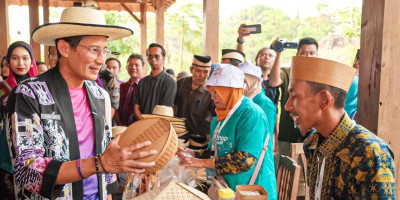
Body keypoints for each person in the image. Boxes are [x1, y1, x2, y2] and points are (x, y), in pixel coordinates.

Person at [7, 7, 157, 199]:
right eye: (94, 50)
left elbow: (106, 156)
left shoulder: (100, 95)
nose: (101, 60)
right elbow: (27, 171)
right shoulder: (30, 94)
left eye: (105, 51)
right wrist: (98, 164)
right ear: (64, 48)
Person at [286, 56, 395, 199]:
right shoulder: (312, 144)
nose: (287, 106)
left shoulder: (370, 152)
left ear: (324, 100)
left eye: (294, 96)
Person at [177, 64, 277, 199]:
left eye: (216, 92)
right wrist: (193, 153)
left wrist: (200, 163)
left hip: (253, 190)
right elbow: (216, 151)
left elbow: (245, 160)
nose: (212, 97)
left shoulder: (251, 115)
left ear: (229, 91)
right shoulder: (219, 118)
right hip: (228, 190)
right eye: (211, 92)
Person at [0, 41, 39, 200]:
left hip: (35, 147)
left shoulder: (41, 87)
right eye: (15, 58)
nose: (21, 63)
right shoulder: (2, 88)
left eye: (25, 58)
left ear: (31, 61)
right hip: (6, 149)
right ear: (9, 62)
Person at [174, 55, 216, 149]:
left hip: (201, 139)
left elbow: (216, 115)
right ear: (191, 69)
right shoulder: (180, 84)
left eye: (205, 72)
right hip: (180, 136)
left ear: (209, 72)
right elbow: (173, 106)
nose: (202, 75)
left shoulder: (211, 91)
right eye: (198, 71)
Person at [236, 24, 279, 105]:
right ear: (256, 59)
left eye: (270, 56)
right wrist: (241, 39)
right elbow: (239, 59)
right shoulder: (251, 78)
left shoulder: (276, 81)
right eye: (262, 54)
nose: (266, 57)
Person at [134, 43, 177, 119]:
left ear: (163, 59)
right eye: (150, 56)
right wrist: (143, 121)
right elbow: (136, 107)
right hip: (141, 124)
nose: (153, 59)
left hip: (160, 126)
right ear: (147, 59)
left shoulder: (169, 82)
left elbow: (165, 111)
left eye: (157, 56)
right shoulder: (142, 82)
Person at [239, 61, 276, 141]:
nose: (239, 84)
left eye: (244, 81)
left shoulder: (265, 103)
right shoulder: (243, 99)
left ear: (254, 81)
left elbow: (266, 136)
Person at [115, 54, 144, 126]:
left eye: (137, 65)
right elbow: (116, 106)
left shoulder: (145, 87)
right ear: (127, 67)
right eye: (130, 65)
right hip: (120, 127)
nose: (133, 67)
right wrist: (119, 123)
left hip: (137, 128)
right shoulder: (121, 86)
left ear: (143, 68)